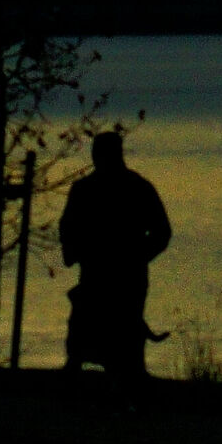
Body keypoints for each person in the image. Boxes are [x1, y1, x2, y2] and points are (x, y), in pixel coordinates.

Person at [58, 130, 171, 377]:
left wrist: (137, 257)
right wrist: (75, 252)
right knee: (89, 322)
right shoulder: (89, 189)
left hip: (124, 274)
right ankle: (83, 369)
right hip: (99, 273)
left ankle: (129, 375)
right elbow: (68, 228)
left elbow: (162, 232)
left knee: (126, 325)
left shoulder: (133, 188)